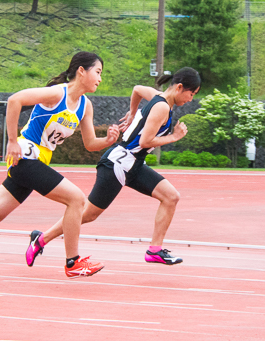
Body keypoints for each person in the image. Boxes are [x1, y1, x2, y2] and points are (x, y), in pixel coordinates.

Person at [0, 52, 120, 278]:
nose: (100, 78)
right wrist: (13, 141)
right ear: (81, 71)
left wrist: (108, 141)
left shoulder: (85, 106)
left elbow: (90, 143)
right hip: (25, 157)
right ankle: (72, 262)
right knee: (76, 199)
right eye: (98, 72)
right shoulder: (57, 93)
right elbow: (15, 100)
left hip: (36, 162)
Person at [29, 67, 199, 266]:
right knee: (88, 214)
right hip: (118, 164)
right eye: (191, 93)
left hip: (133, 165)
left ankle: (155, 250)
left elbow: (136, 89)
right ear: (180, 87)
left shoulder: (157, 96)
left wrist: (133, 114)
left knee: (171, 197)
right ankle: (41, 239)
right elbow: (145, 141)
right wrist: (174, 136)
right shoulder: (162, 107)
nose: (191, 99)